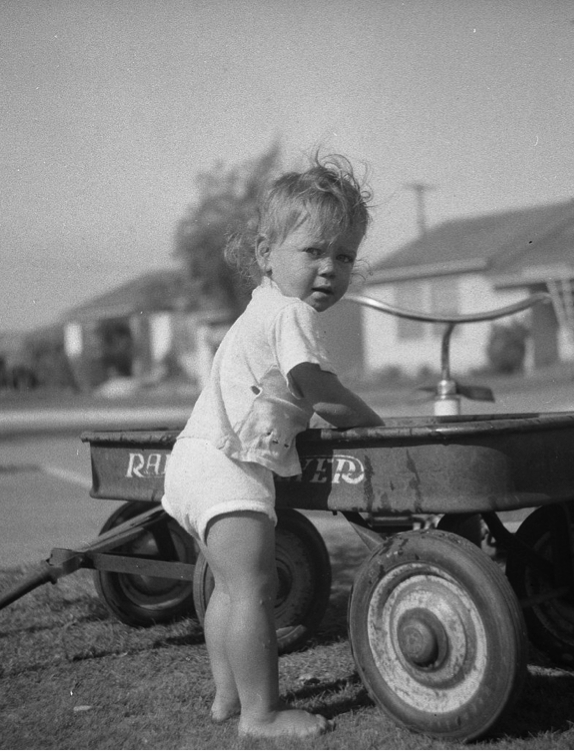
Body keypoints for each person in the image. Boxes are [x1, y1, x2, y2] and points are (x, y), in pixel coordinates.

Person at [162, 154, 384, 740]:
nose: (329, 270)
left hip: (194, 463)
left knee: (230, 589)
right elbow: (320, 392)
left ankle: (228, 697)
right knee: (252, 592)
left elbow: (281, 399)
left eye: (344, 257)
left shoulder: (260, 309)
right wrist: (375, 427)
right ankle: (261, 716)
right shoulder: (291, 315)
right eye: (313, 252)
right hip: (227, 469)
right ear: (265, 253)